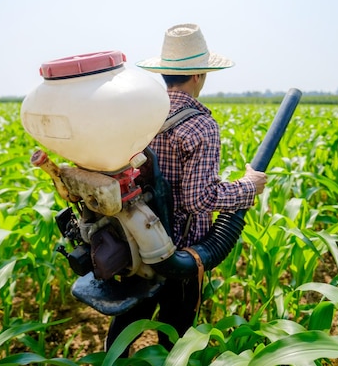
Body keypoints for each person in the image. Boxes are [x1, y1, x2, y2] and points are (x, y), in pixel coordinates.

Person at [104, 23, 268, 355]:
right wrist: (248, 187)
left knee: (125, 324)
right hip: (181, 252)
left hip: (135, 241)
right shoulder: (200, 125)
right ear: (198, 75)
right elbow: (200, 199)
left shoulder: (140, 114)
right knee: (176, 340)